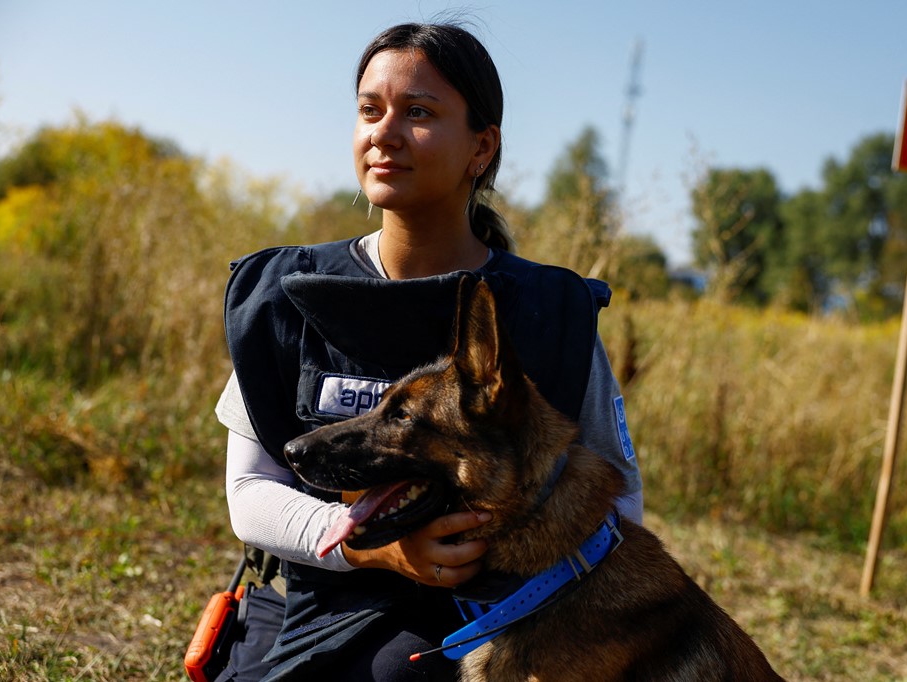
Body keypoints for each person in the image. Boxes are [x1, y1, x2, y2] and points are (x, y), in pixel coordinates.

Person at [212, 22, 644, 681]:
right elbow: (249, 491)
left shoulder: (550, 311)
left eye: (418, 113)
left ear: (481, 147)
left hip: (508, 621)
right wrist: (374, 550)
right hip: (326, 612)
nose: (384, 134)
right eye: (370, 110)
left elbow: (620, 503)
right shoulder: (290, 294)